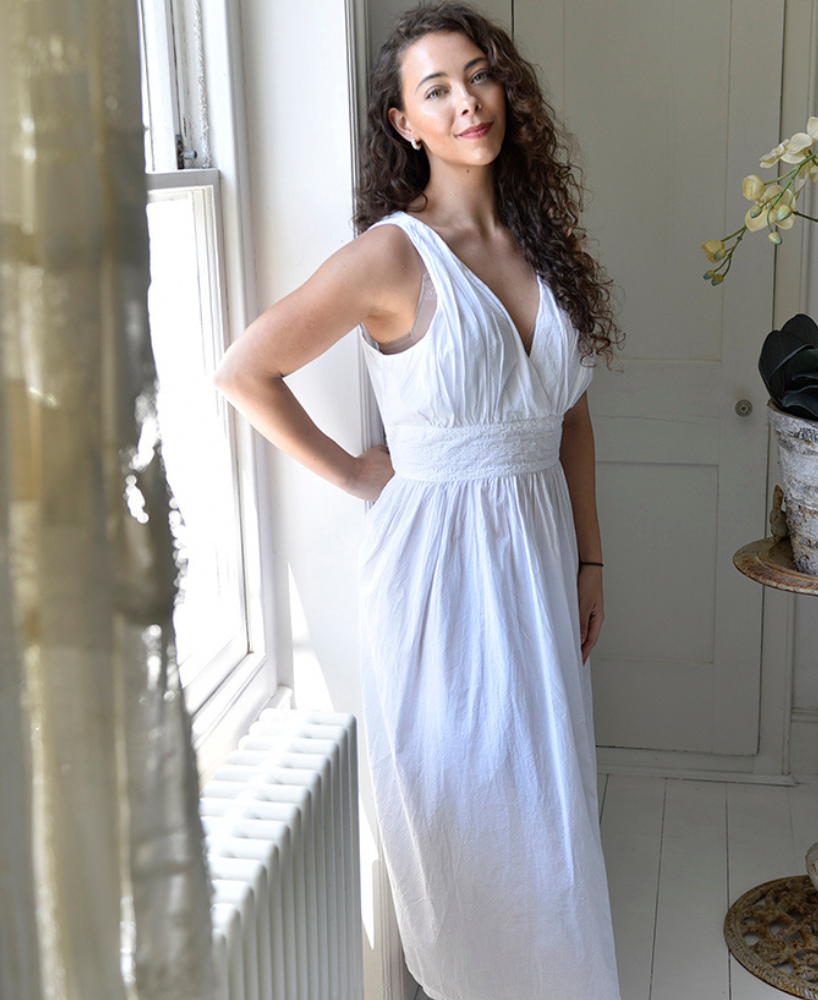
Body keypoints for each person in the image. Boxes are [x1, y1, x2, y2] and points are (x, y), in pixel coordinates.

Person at [215, 4, 623, 998]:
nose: (466, 102)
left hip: (538, 552)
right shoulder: (393, 255)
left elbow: (570, 418)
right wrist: (357, 473)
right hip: (439, 569)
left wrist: (589, 558)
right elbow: (245, 370)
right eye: (435, 89)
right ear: (404, 123)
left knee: (550, 810)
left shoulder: (545, 241)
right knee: (462, 809)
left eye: (478, 75)